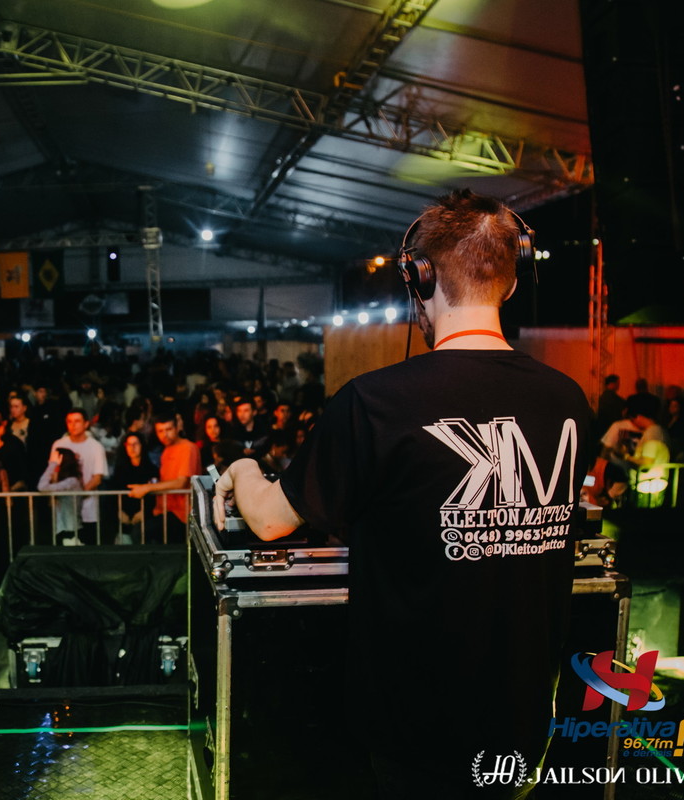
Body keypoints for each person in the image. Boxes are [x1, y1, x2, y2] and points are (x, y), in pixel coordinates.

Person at [213, 189, 590, 798]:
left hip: (417, 733)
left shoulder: (374, 403)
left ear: (420, 276)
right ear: (513, 280)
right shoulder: (567, 400)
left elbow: (271, 521)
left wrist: (243, 468)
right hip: (525, 726)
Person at [127, 413, 201, 544]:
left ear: (177, 428)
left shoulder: (188, 448)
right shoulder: (166, 450)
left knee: (140, 532)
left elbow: (181, 482)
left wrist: (147, 488)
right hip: (165, 510)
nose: (164, 435)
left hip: (181, 513)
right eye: (160, 431)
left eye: (168, 429)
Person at [50, 409, 108, 545]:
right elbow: (53, 473)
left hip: (88, 510)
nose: (73, 425)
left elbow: (97, 478)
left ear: (86, 424)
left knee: (88, 547)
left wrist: (77, 496)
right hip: (64, 511)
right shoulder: (59, 444)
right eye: (69, 421)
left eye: (77, 421)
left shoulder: (96, 447)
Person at [108, 432, 157, 544]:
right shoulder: (120, 470)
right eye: (129, 444)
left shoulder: (151, 470)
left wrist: (144, 512)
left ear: (142, 445)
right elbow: (112, 494)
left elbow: (155, 495)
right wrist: (119, 511)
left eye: (135, 444)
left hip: (145, 519)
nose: (132, 448)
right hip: (124, 519)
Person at [37, 448, 84, 546]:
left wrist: (52, 465)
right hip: (63, 528)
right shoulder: (67, 481)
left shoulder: (72, 481)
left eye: (52, 459)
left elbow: (42, 487)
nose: (49, 461)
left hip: (69, 529)